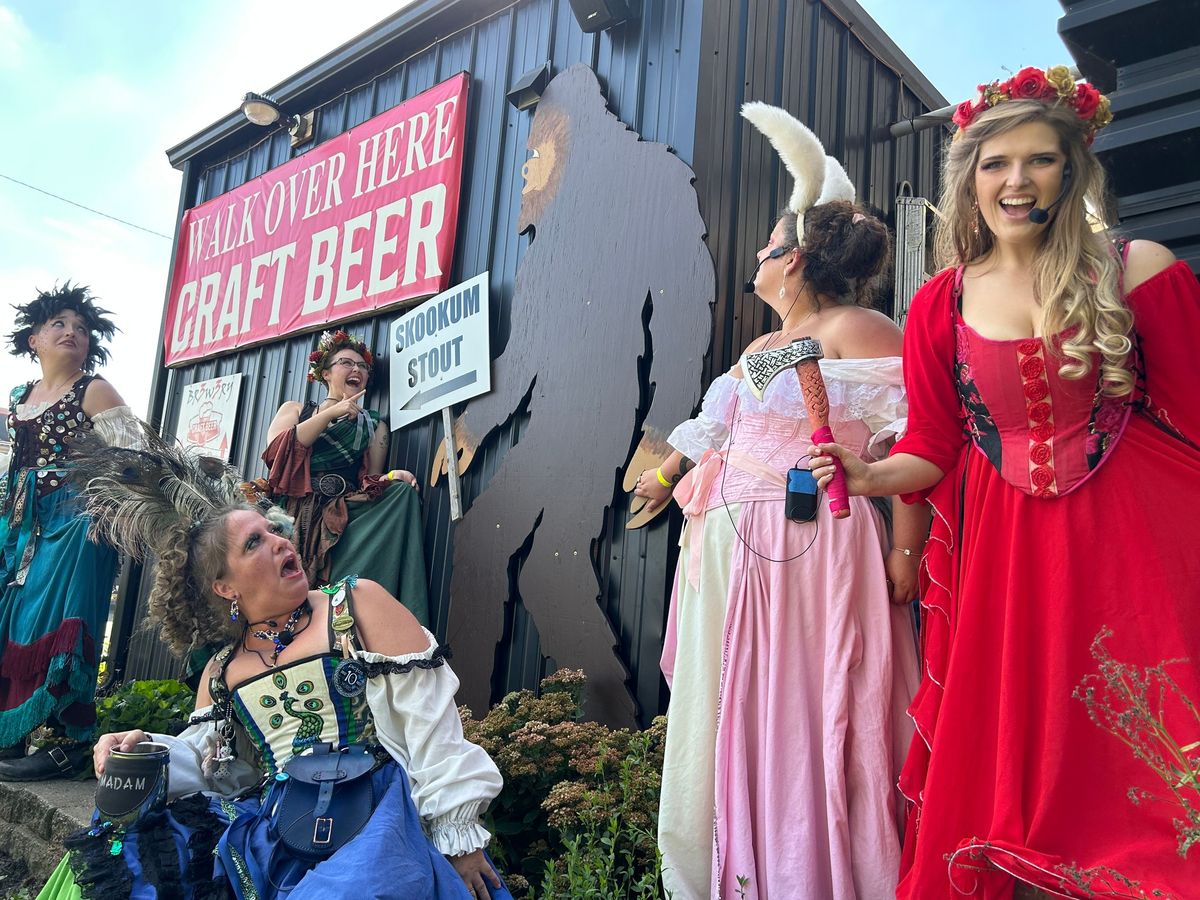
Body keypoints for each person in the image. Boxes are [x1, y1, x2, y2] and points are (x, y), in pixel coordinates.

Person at [809, 66, 1200, 898]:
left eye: (1040, 160)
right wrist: (871, 472)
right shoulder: (938, 307)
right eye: (996, 163)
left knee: (1151, 775)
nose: (1016, 182)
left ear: (1073, 169)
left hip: (1134, 547)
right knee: (1023, 781)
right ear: (970, 176)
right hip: (1010, 565)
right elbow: (935, 447)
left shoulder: (1137, 268)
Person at [639, 103, 928, 900]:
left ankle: (824, 873)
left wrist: (908, 549)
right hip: (733, 554)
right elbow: (716, 425)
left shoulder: (861, 327)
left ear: (794, 258)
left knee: (811, 708)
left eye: (767, 246)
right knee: (742, 710)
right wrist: (665, 478)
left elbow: (915, 440)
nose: (755, 261)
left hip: (811, 546)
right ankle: (750, 870)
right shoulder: (763, 348)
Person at [38, 431, 512, 899]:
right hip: (278, 832)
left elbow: (431, 726)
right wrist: (143, 749)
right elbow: (211, 769)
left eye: (273, 530)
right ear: (224, 587)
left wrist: (459, 835)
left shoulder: (355, 604)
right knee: (129, 848)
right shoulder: (222, 673)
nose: (280, 540)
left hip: (379, 820)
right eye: (253, 543)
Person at [0, 284, 140, 780]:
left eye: (81, 328)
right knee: (17, 619)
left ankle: (67, 741)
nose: (71, 333)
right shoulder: (20, 398)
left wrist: (103, 510)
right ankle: (13, 728)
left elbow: (134, 458)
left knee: (64, 618)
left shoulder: (95, 389)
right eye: (59, 324)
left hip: (78, 522)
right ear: (33, 338)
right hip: (23, 523)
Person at [262, 328, 429, 626]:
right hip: (295, 512)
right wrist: (329, 414)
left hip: (344, 511)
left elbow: (373, 479)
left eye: (362, 366)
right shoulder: (296, 410)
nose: (357, 370)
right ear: (325, 373)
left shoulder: (374, 425)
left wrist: (392, 476)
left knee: (402, 493)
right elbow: (277, 453)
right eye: (346, 363)